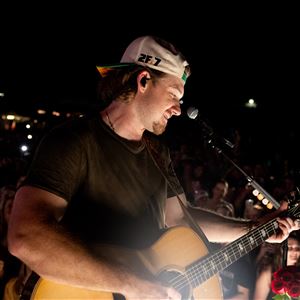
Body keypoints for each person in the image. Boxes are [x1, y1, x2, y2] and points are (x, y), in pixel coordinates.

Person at [7, 35, 300, 300]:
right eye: (174, 95)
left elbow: (183, 221)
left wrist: (254, 229)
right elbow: (25, 236)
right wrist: (131, 285)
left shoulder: (157, 151)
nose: (177, 109)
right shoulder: (74, 141)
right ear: (143, 80)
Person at [253, 232, 300, 300]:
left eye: (298, 248)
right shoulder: (269, 272)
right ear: (281, 250)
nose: (295, 252)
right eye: (290, 248)